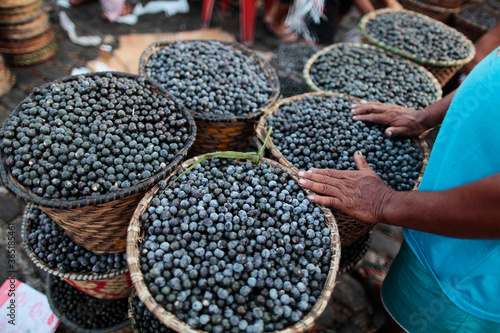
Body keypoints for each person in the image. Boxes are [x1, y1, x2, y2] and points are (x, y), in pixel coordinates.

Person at [297, 46, 500, 332]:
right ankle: (396, 298)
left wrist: (385, 203)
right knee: (410, 291)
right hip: (437, 221)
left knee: (421, 319)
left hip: (473, 278)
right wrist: (425, 116)